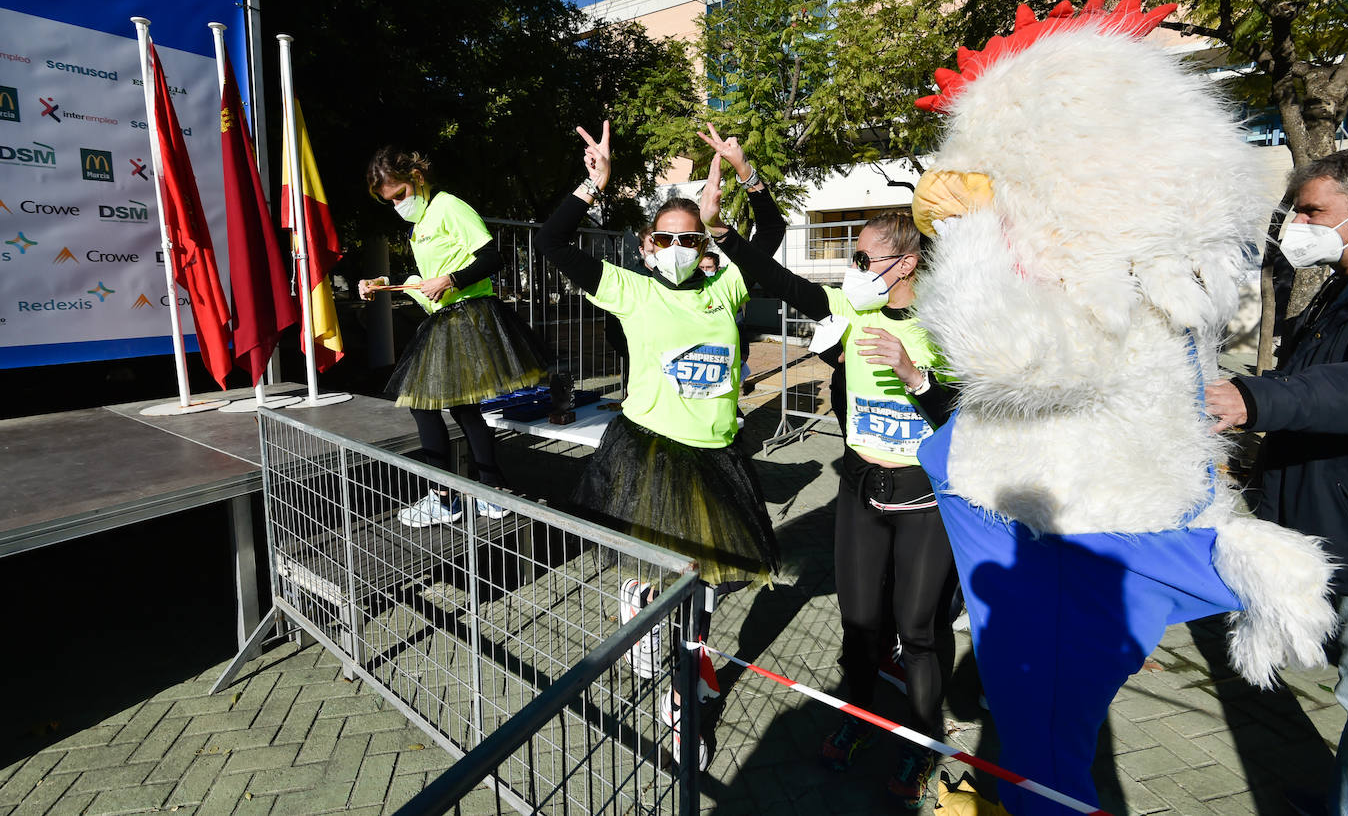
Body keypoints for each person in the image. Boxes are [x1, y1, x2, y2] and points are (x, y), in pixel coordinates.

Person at [533, 120, 784, 764]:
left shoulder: (725, 286)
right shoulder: (632, 289)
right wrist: (593, 185)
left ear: (704, 245)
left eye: (688, 238)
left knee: (707, 585)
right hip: (650, 456)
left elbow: (773, 236)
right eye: (664, 238)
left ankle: (645, 606)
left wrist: (745, 176)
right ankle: (685, 709)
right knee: (689, 591)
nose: (676, 246)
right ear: (647, 245)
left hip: (717, 459)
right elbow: (552, 242)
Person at [703, 201, 955, 810]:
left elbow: (966, 418)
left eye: (865, 259)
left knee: (919, 629)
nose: (854, 270)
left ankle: (924, 743)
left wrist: (915, 376)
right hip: (862, 487)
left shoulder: (948, 322)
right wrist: (721, 232)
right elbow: (780, 280)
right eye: (852, 258)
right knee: (861, 621)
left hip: (927, 496)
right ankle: (860, 719)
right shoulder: (850, 307)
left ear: (906, 264)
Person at [1205, 146, 1348, 816]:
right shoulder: (1339, 290)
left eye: (1312, 211)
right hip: (1329, 528)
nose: (1295, 225)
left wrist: (1256, 399)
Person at [360, 145, 549, 525]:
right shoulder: (422, 223)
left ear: (417, 178)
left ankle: (452, 497)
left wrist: (451, 280)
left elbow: (494, 257)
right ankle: (485, 492)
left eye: (400, 194)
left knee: (425, 403)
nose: (397, 204)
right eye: (389, 201)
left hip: (468, 317)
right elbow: (429, 278)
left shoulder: (448, 206)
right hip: (446, 319)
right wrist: (385, 283)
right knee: (461, 407)